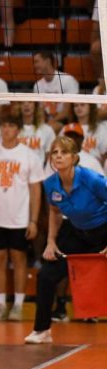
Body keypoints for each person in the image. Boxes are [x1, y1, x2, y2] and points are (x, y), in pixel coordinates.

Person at [25, 135, 107, 343]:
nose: (58, 156)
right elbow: (54, 212)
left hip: (102, 230)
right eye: (55, 152)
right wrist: (51, 242)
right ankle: (42, 330)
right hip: (75, 231)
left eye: (64, 152)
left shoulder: (92, 179)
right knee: (46, 276)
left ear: (74, 157)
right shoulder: (50, 184)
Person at [0, 109, 44, 322]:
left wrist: (33, 220)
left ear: (18, 129)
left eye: (11, 126)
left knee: (19, 259)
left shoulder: (28, 155)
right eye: (4, 126)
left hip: (20, 217)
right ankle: (0, 305)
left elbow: (36, 190)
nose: (6, 130)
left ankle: (17, 305)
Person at [32, 50, 80, 124]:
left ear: (47, 61)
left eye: (36, 61)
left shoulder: (67, 80)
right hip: (47, 122)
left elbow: (67, 112)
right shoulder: (37, 85)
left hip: (65, 122)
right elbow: (40, 112)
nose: (34, 65)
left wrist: (48, 125)